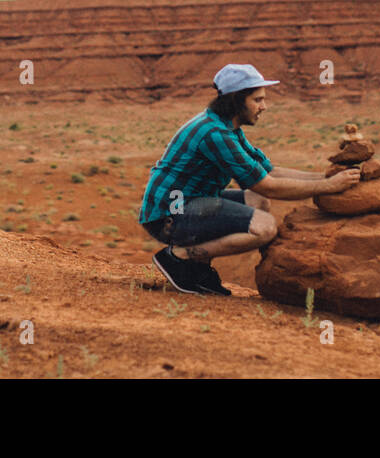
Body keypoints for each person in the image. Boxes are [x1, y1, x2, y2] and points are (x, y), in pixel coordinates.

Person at [138, 63, 361, 295]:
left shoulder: (228, 128)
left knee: (258, 201)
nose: (264, 106)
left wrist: (327, 175)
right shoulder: (215, 133)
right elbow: (268, 186)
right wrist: (329, 186)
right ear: (236, 100)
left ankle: (197, 269)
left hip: (190, 202)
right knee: (264, 228)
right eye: (257, 100)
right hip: (169, 215)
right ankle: (180, 257)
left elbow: (269, 172)